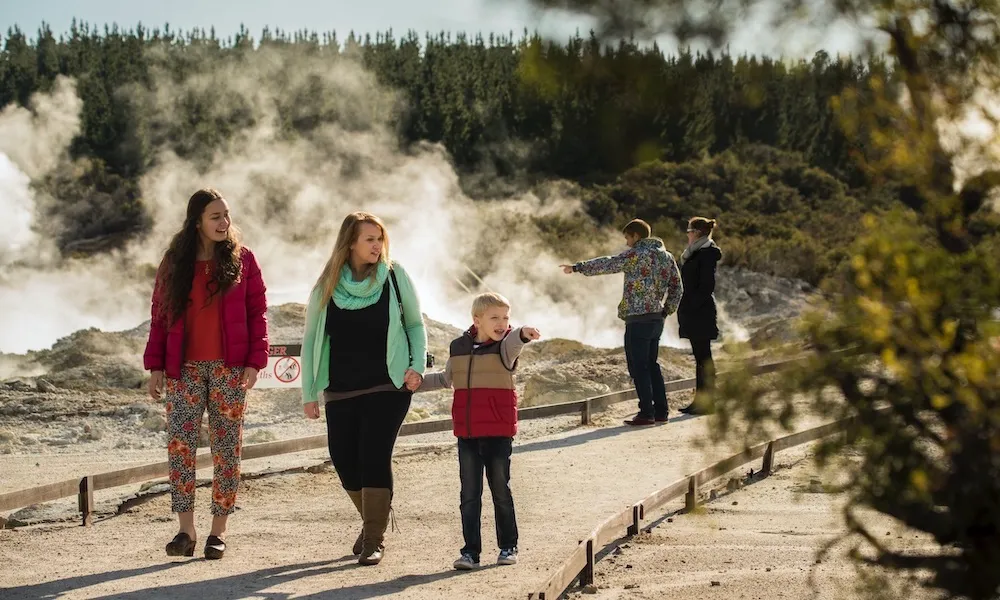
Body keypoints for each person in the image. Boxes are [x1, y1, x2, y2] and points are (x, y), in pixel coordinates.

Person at [143, 188, 269, 560]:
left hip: (229, 370)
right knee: (180, 448)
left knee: (226, 450)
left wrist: (254, 361)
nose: (223, 223)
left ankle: (218, 532)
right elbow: (159, 315)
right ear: (196, 221)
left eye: (226, 215)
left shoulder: (244, 260)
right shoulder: (174, 262)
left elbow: (257, 313)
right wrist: (155, 367)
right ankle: (185, 531)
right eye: (215, 216)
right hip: (183, 371)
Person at [300, 211, 427, 566]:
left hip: (388, 384)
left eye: (380, 238)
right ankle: (374, 519)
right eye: (369, 239)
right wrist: (309, 392)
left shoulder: (394, 276)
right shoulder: (327, 283)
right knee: (344, 461)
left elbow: (415, 325)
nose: (377, 245)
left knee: (373, 454)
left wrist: (417, 365)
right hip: (340, 387)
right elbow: (311, 340)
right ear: (350, 243)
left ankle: (374, 535)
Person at [417, 292, 540, 570]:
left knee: (500, 491)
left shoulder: (505, 348)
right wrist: (413, 382)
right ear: (477, 320)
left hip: (498, 433)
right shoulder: (458, 347)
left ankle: (508, 546)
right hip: (467, 434)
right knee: (469, 495)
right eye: (495, 317)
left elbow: (515, 339)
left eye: (506, 317)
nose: (502, 323)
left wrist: (523, 332)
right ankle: (470, 552)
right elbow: (445, 379)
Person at [560, 219, 682, 426]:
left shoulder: (636, 254)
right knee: (652, 365)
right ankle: (662, 411)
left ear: (636, 236)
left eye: (627, 238)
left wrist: (577, 267)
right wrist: (665, 311)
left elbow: (608, 263)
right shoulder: (667, 256)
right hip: (656, 319)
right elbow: (677, 288)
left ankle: (646, 413)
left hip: (637, 319)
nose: (627, 243)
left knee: (639, 367)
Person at [677, 217, 722, 416]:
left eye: (689, 230)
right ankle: (700, 400)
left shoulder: (706, 254)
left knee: (704, 357)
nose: (687, 234)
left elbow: (706, 286)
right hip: (695, 311)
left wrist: (692, 305)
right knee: (700, 357)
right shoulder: (696, 253)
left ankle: (707, 401)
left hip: (700, 312)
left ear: (696, 232)